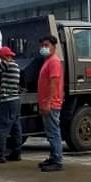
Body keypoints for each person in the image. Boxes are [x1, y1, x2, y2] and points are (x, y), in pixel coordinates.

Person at [37, 35, 64, 172]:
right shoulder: (47, 61)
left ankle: (57, 161)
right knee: (51, 132)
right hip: (47, 104)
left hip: (51, 104)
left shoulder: (53, 61)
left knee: (53, 133)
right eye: (42, 45)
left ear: (54, 46)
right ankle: (53, 157)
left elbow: (54, 83)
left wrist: (48, 102)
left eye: (47, 45)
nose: (44, 48)